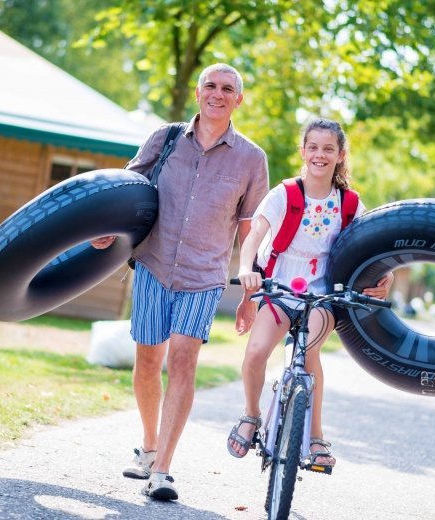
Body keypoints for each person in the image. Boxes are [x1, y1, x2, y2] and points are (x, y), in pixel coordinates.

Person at [91, 63, 269, 501]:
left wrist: (250, 295)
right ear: (197, 92)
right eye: (210, 85)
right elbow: (128, 185)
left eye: (228, 88)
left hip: (204, 276)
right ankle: (149, 447)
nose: (218, 93)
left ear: (238, 100)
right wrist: (106, 229)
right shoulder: (165, 138)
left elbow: (252, 231)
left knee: (184, 361)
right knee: (149, 363)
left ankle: (163, 471)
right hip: (152, 265)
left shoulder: (252, 158)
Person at [227, 118, 393, 467]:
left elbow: (371, 244)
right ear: (303, 151)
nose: (320, 154)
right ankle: (251, 415)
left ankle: (316, 438)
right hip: (280, 286)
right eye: (313, 147)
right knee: (256, 352)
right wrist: (245, 269)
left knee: (309, 354)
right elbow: (255, 235)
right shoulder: (284, 194)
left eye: (328, 148)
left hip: (322, 293)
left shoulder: (349, 203)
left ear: (340, 154)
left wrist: (385, 275)